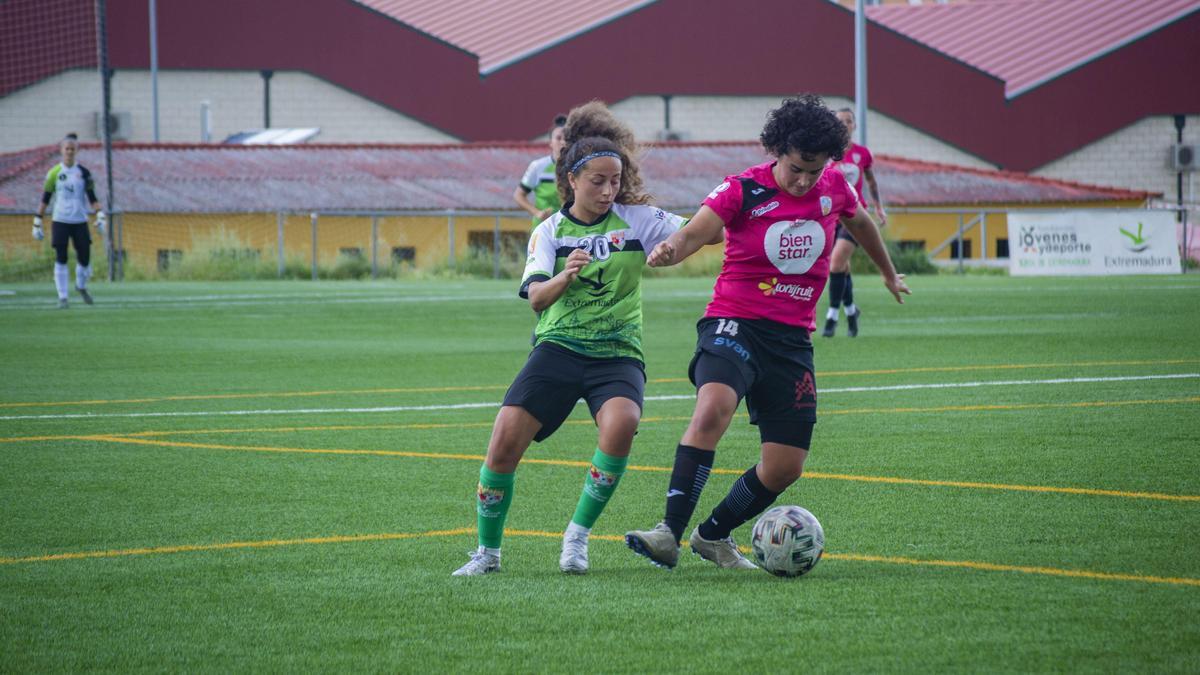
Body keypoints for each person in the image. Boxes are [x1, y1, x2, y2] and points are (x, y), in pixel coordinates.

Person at [625, 94, 910, 570]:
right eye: (797, 167)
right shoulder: (742, 190)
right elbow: (695, 233)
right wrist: (669, 250)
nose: (804, 179)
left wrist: (886, 271)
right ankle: (668, 533)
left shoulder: (835, 186)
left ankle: (712, 536)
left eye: (814, 170)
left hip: (792, 338)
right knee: (714, 405)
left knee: (785, 465)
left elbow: (860, 222)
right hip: (733, 321)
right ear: (777, 151)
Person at [453, 101, 717, 576]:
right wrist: (565, 278)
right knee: (502, 443)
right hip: (558, 348)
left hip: (617, 353)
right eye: (596, 180)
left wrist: (676, 242)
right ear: (571, 180)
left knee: (622, 423)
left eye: (614, 180)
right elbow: (535, 297)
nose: (607, 189)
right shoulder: (549, 230)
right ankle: (487, 554)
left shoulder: (636, 219)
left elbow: (705, 232)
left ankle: (577, 537)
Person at [823, 107, 887, 337]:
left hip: (854, 215)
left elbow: (871, 181)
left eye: (848, 121)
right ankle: (851, 311)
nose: (844, 125)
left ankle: (831, 316)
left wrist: (878, 208)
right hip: (832, 216)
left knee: (836, 264)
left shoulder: (862, 154)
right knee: (842, 267)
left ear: (854, 126)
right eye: (840, 121)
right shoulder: (826, 154)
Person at [33, 133, 106, 309]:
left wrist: (100, 215)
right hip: (60, 221)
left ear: (77, 151)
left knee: (85, 258)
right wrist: (37, 221)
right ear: (61, 150)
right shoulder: (54, 173)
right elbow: (45, 198)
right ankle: (63, 297)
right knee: (61, 257)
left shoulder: (83, 173)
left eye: (73, 149)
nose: (70, 152)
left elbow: (92, 197)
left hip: (79, 221)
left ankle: (81, 286)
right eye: (67, 149)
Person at [513, 114, 568, 227]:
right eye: (558, 138)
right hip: (543, 228)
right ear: (551, 143)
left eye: (566, 138)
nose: (563, 142)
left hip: (569, 229)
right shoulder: (538, 166)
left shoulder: (579, 168)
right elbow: (518, 195)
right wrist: (537, 213)